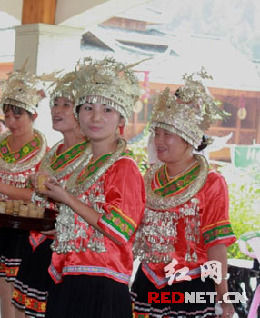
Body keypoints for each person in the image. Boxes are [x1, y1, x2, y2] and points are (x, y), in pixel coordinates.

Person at [38, 57, 145, 317]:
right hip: (68, 276)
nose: (96, 117)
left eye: (107, 110)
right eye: (88, 108)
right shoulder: (81, 167)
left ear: (121, 117)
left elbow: (120, 229)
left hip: (102, 284)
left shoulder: (124, 167)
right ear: (78, 115)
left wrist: (67, 198)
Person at [131, 70, 236, 318]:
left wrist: (224, 297)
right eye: (157, 133)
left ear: (189, 138)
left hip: (191, 285)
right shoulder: (148, 179)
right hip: (147, 280)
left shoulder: (211, 183)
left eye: (168, 134)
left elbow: (216, 245)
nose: (160, 141)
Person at [12, 71, 90, 318]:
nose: (57, 109)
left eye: (66, 104)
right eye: (55, 103)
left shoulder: (90, 156)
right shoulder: (53, 151)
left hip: (66, 253)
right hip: (37, 244)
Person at [0, 68, 48, 318]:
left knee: (21, 292)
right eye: (8, 115)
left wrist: (0, 188)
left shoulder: (44, 152)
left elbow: (41, 197)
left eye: (18, 116)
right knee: (3, 290)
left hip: (25, 231)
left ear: (33, 114)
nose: (11, 122)